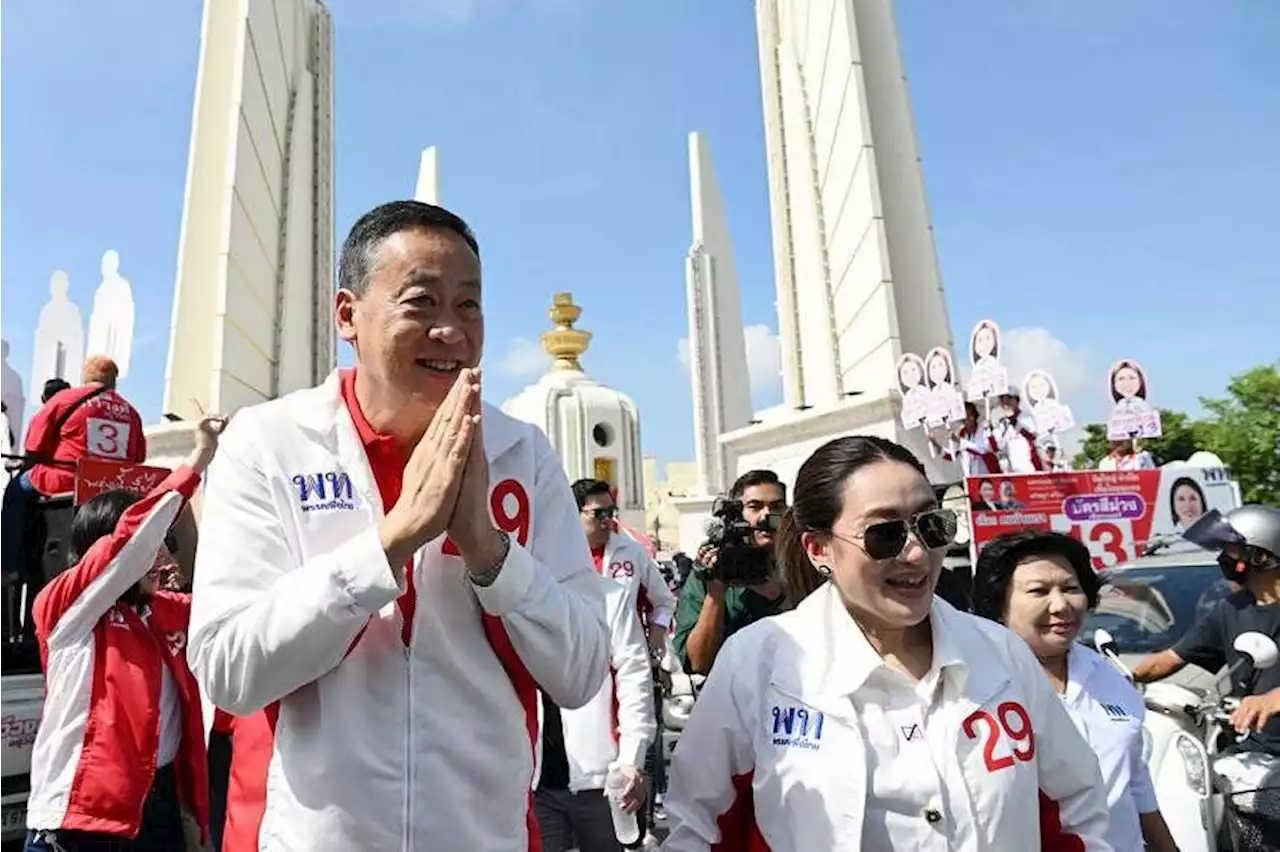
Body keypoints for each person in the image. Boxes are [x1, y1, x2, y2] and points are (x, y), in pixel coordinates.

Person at [186, 200, 609, 851]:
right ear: (347, 314)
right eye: (422, 303)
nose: (451, 330)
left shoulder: (522, 452)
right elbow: (227, 671)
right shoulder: (268, 444)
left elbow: (582, 672)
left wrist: (491, 555)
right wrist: (391, 542)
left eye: (468, 305)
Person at [662, 435, 1112, 851]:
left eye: (931, 526)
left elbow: (1076, 805)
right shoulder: (757, 663)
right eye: (884, 534)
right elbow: (698, 828)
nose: (916, 553)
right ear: (819, 550)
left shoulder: (1002, 655)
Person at [24, 413, 226, 852]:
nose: (163, 558)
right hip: (80, 822)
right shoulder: (66, 610)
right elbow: (129, 543)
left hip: (153, 815)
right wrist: (198, 459)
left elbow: (234, 606)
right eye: (155, 548)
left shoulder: (158, 613)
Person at [972, 531, 1180, 852]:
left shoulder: (1108, 677)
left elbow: (1135, 784)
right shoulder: (975, 687)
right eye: (1038, 591)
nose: (1061, 605)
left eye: (1070, 588)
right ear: (998, 605)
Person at [1132, 505, 1280, 849]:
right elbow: (1172, 657)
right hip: (1257, 752)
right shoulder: (1232, 609)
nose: (1223, 559)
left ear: (1259, 555)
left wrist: (1273, 699)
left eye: (1229, 551)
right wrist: (1121, 677)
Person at [535, 574, 655, 852]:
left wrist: (631, 759)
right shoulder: (519, 589)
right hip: (534, 780)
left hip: (601, 779)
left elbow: (634, 678)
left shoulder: (610, 595)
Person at [0, 357, 145, 572]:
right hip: (112, 488)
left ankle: (9, 566)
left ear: (85, 376)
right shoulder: (131, 411)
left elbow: (33, 445)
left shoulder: (64, 400)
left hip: (65, 480)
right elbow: (139, 456)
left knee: (15, 491)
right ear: (113, 381)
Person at [673, 469, 787, 675]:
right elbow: (699, 663)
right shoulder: (712, 567)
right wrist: (715, 592)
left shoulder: (802, 561)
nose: (767, 515)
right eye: (755, 507)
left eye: (777, 507)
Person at [573, 478, 675, 654]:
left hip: (629, 664)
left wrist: (656, 636)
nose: (607, 520)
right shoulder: (560, 557)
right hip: (580, 661)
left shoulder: (633, 553)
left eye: (610, 512)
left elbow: (664, 602)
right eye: (598, 514)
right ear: (575, 514)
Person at [929, 401, 999, 477]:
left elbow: (982, 450)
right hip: (970, 478)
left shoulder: (983, 429)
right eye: (965, 417)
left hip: (988, 475)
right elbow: (952, 455)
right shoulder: (961, 432)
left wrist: (959, 441)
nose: (968, 419)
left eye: (970, 415)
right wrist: (936, 444)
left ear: (975, 415)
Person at [988, 389, 1042, 473]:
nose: (1005, 401)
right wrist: (989, 431)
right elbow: (998, 447)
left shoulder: (1026, 416)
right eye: (1002, 399)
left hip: (1029, 468)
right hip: (1012, 470)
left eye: (1008, 398)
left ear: (1017, 400)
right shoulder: (1001, 423)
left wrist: (1015, 422)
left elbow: (1032, 437)